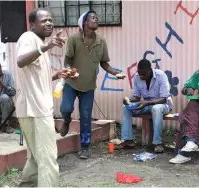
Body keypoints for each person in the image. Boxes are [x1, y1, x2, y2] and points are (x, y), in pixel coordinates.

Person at [16, 8, 72, 187]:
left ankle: (27, 185)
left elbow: (38, 76)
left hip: (35, 108)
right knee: (47, 157)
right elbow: (20, 60)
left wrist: (57, 74)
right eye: (44, 20)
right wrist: (46, 47)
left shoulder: (40, 43)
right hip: (36, 109)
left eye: (50, 20)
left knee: (35, 156)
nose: (49, 23)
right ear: (32, 24)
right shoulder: (28, 38)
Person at [59, 10, 125, 159]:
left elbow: (104, 63)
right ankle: (66, 121)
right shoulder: (74, 39)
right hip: (71, 83)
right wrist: (69, 71)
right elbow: (67, 61)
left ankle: (85, 147)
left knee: (86, 116)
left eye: (97, 17)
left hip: (88, 86)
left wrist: (115, 73)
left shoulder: (101, 41)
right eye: (92, 17)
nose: (96, 19)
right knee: (65, 108)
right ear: (84, 23)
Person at [116, 59, 172, 153]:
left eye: (144, 74)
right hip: (145, 105)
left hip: (163, 105)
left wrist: (146, 103)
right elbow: (137, 97)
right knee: (126, 108)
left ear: (150, 70)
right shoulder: (137, 77)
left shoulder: (161, 76)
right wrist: (128, 100)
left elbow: (163, 99)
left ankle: (157, 143)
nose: (141, 76)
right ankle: (128, 140)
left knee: (156, 108)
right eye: (139, 73)